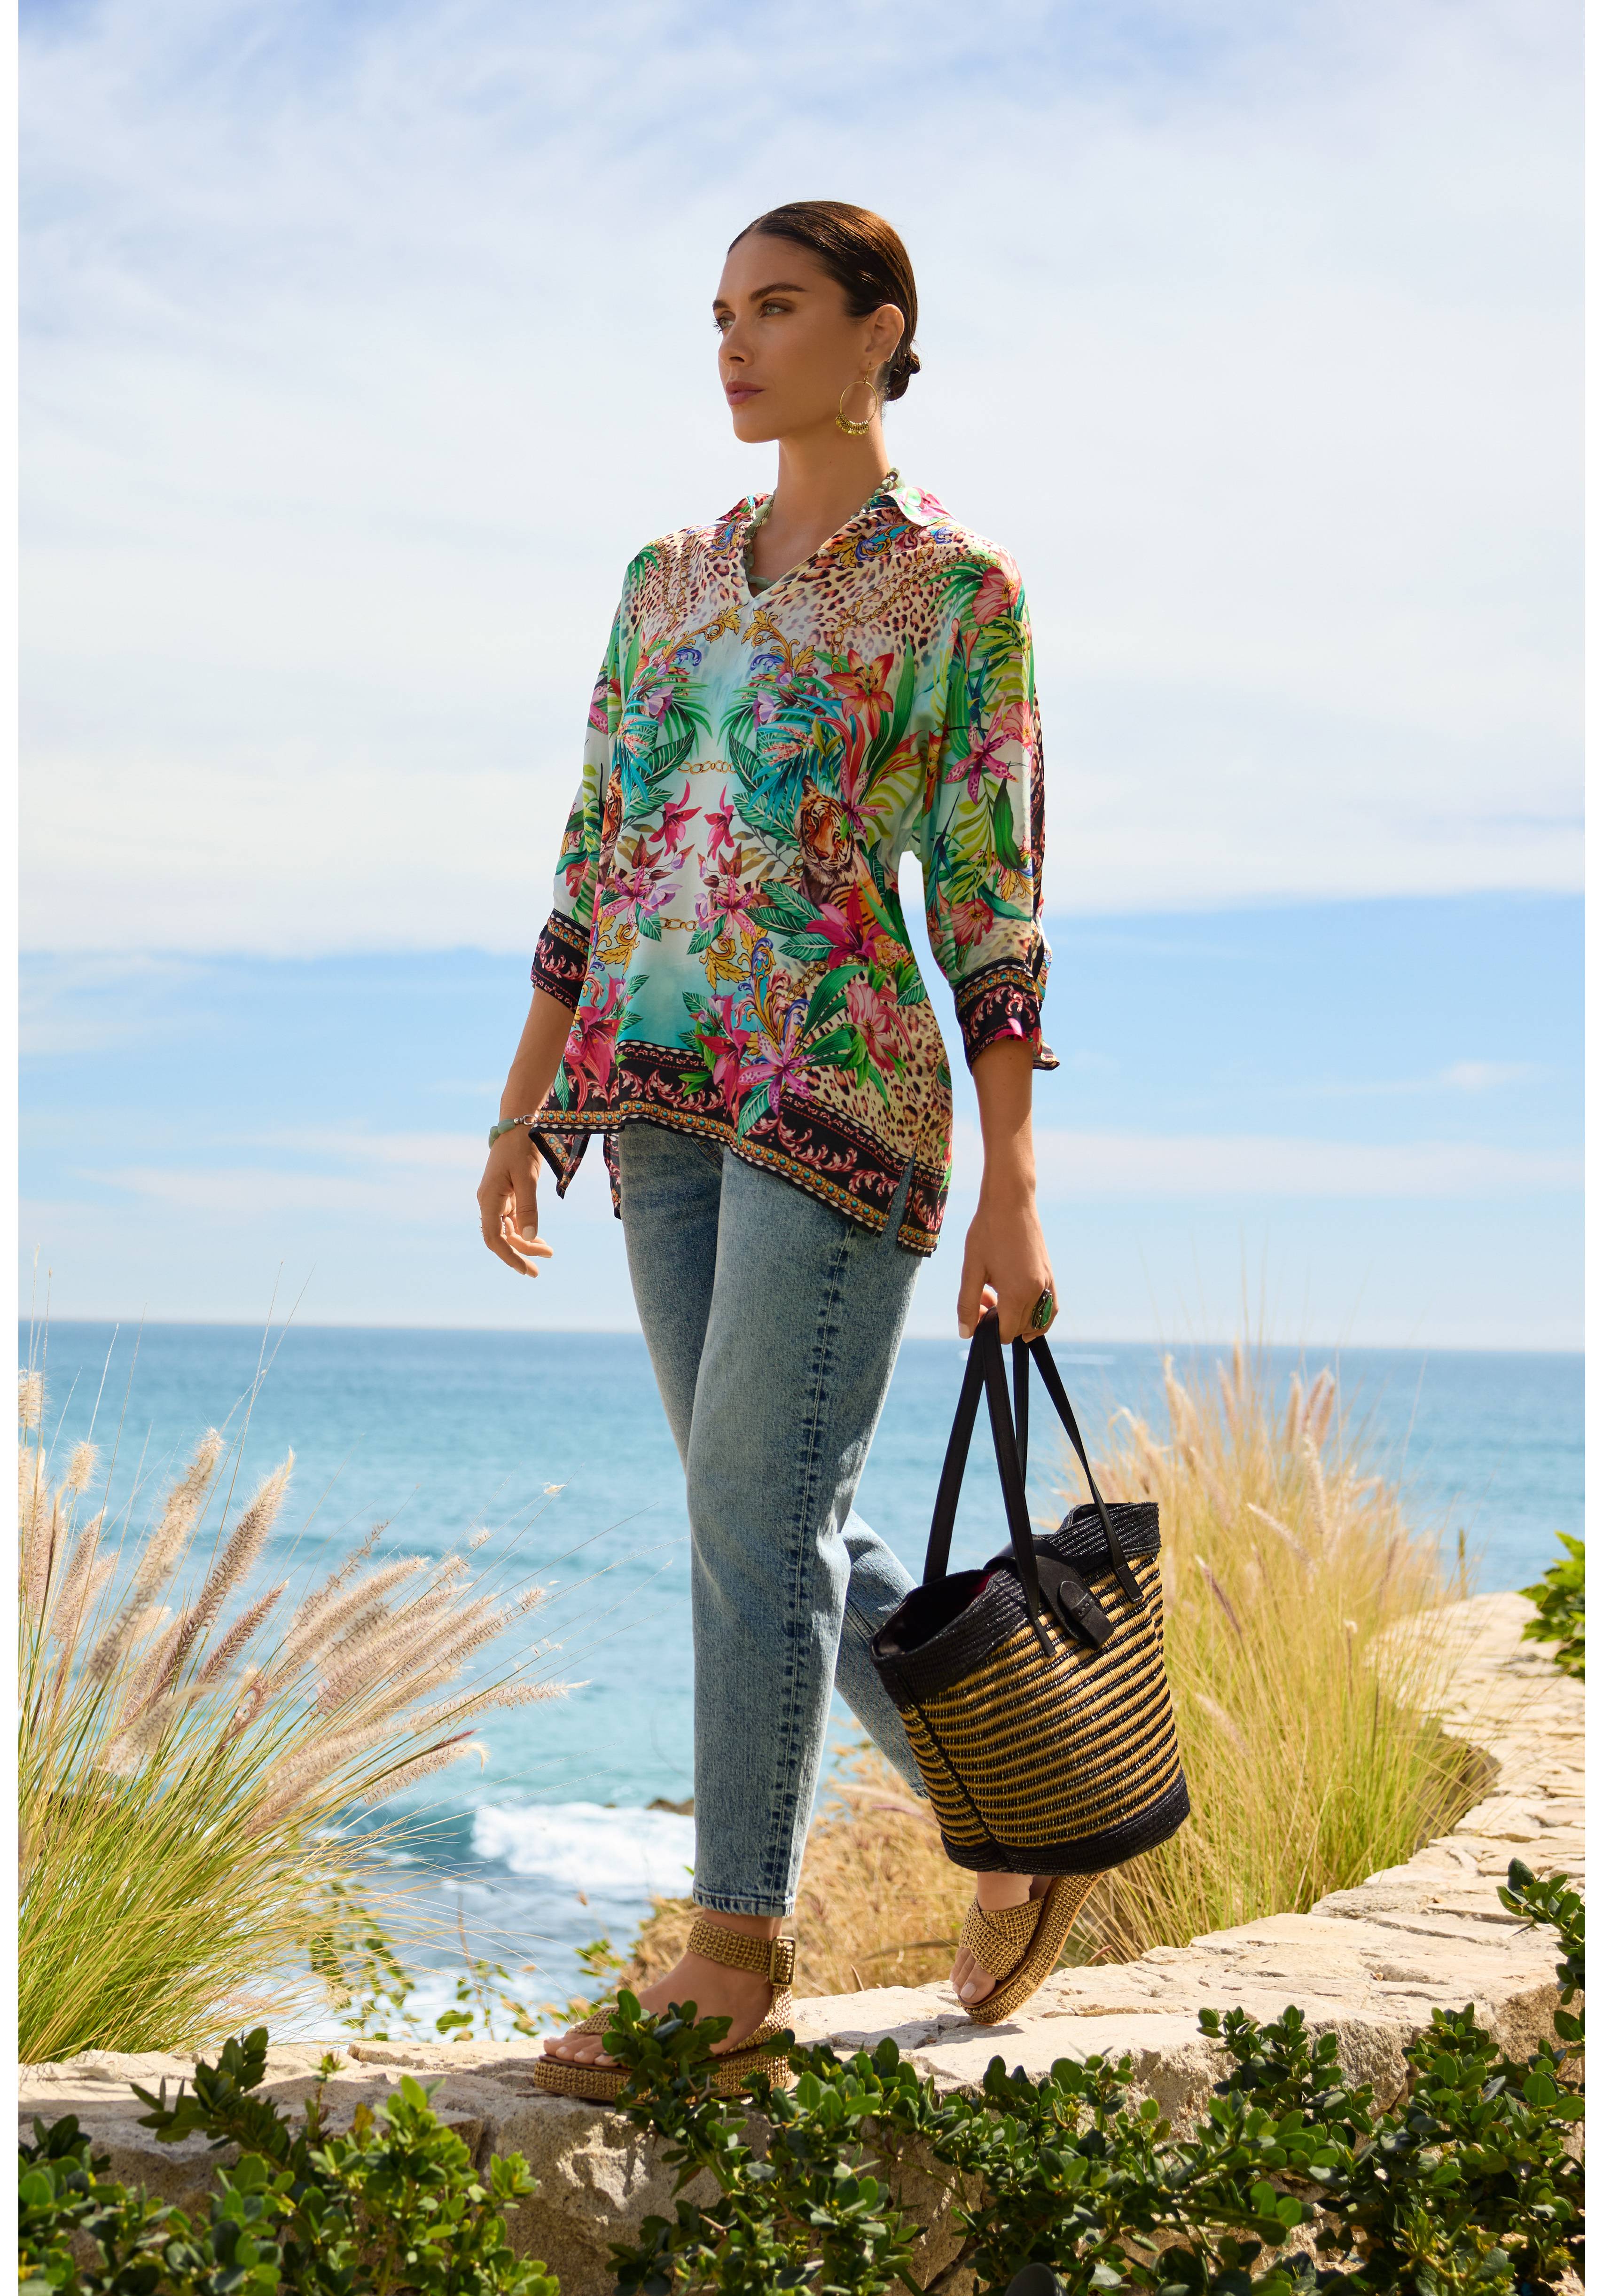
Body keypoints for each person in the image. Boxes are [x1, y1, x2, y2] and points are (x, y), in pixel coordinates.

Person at [477, 200, 1068, 2097]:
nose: (734, 343)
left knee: (751, 1515)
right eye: (722, 311)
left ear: (879, 331)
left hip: (837, 1096)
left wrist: (1012, 1185)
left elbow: (988, 896)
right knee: (771, 1514)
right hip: (651, 1100)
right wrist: (525, 1099)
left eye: (779, 307)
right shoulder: (663, 576)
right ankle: (1022, 1813)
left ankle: (733, 1955)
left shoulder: (958, 592)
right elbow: (599, 846)